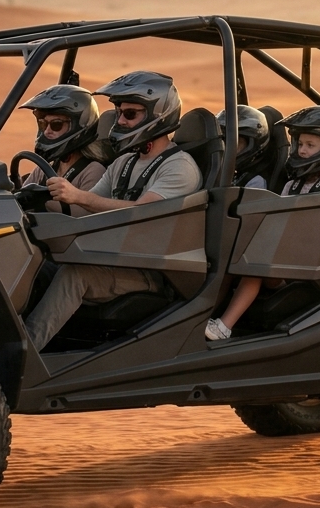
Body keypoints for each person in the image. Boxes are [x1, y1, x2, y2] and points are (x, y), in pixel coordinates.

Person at [22, 70, 202, 351]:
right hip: (114, 256)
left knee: (75, 275)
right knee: (38, 263)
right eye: (118, 113)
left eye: (130, 114)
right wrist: (43, 201)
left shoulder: (179, 167)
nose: (119, 121)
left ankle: (24, 354)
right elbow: (87, 206)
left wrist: (77, 196)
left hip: (151, 270)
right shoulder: (124, 162)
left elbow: (142, 214)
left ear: (159, 113)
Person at [205, 105, 320, 341]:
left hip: (307, 265)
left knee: (256, 264)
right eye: (299, 144)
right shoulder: (291, 185)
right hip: (284, 256)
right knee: (233, 259)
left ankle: (224, 326)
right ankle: (204, 317)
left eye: (310, 146)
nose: (302, 151)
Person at [18, 84, 109, 216]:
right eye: (43, 124)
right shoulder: (45, 167)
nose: (47, 131)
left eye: (56, 125)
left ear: (78, 126)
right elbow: (19, 197)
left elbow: (87, 217)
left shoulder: (93, 170)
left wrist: (42, 202)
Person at [219, 104, 272, 190]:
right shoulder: (220, 173)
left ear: (253, 145)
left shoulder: (255, 181)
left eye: (236, 143)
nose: (229, 148)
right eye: (226, 142)